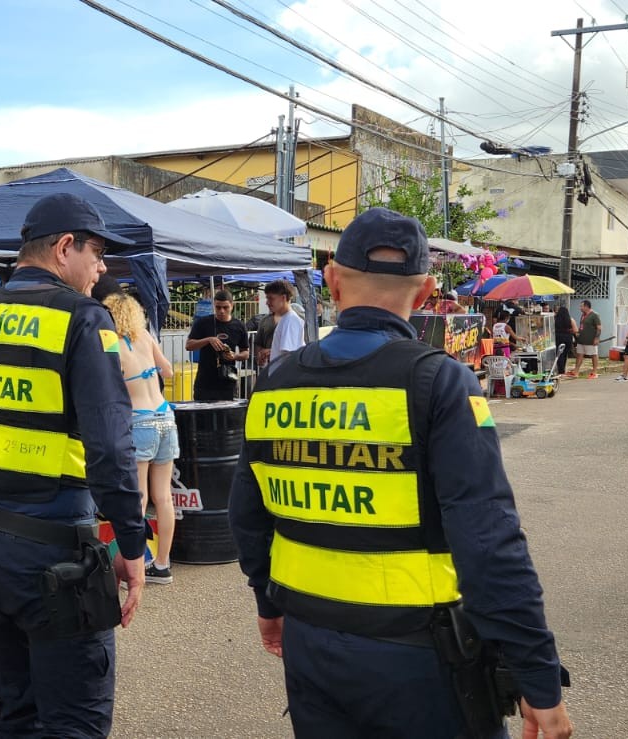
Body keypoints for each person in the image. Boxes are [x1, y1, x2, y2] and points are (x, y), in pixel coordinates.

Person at [229, 208, 571, 739]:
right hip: (420, 660)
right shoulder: (440, 381)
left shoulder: (275, 381)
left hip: (310, 645)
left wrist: (267, 602)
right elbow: (489, 542)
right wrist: (537, 676)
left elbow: (248, 517)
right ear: (428, 290)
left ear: (331, 280)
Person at [0, 193, 148, 736]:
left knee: (16, 714)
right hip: (59, 558)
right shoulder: (85, 319)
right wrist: (132, 547)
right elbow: (112, 451)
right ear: (65, 247)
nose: (102, 266)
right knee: (75, 723)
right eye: (97, 251)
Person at [104, 291, 179, 585]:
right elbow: (169, 372)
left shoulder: (111, 345)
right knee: (164, 496)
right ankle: (162, 564)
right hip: (165, 417)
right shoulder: (146, 337)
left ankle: (132, 566)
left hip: (139, 422)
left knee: (138, 497)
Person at [184, 289, 249, 401]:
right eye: (218, 307)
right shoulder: (203, 323)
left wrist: (235, 356)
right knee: (203, 417)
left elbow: (246, 353)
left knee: (226, 417)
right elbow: (189, 345)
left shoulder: (239, 326)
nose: (222, 311)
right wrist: (208, 340)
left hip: (227, 381)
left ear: (232, 306)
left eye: (225, 307)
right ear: (214, 305)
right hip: (205, 382)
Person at [265, 280, 305, 362]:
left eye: (271, 298)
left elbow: (289, 356)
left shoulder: (290, 320)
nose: (267, 303)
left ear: (283, 298)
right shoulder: (287, 319)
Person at [568, 300, 601, 378]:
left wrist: (596, 338)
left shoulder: (595, 315)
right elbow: (582, 326)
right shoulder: (583, 315)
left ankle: (594, 372)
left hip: (591, 340)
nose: (580, 308)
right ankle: (576, 371)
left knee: (593, 355)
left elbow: (599, 328)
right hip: (581, 340)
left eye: (581, 306)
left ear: (586, 306)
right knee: (579, 355)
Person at [552, 302, 577, 375]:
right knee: (565, 354)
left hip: (558, 337)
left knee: (559, 354)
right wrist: (569, 330)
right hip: (567, 338)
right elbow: (575, 330)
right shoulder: (570, 320)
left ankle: (560, 370)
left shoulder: (555, 319)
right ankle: (563, 370)